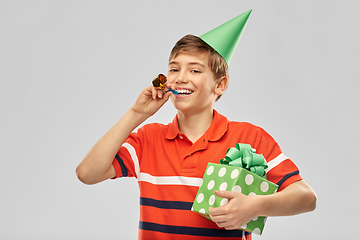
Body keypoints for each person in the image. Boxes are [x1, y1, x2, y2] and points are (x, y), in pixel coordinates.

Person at [76, 10, 316, 240]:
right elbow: (87, 173)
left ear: (220, 85)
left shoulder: (250, 137)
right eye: (173, 69)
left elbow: (306, 197)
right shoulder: (147, 139)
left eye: (194, 70)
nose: (181, 77)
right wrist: (136, 113)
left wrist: (254, 206)